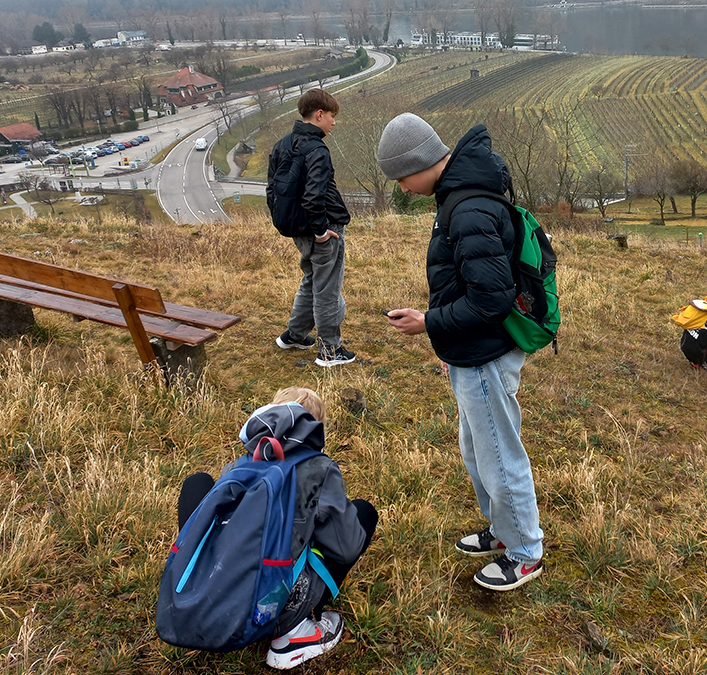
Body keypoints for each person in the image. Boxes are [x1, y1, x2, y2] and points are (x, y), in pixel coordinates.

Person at [376, 113, 544, 591]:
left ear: (421, 163)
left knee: (497, 453)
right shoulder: (457, 195)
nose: (403, 189)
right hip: (470, 349)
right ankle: (503, 530)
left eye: (401, 177)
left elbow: (490, 299)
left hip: (485, 352)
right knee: (477, 448)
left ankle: (525, 551)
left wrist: (428, 322)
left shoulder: (467, 207)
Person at [176, 387, 378, 669]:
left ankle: (190, 582)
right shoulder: (319, 468)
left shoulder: (241, 464)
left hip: (215, 593)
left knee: (198, 482)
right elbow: (346, 549)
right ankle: (294, 630)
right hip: (268, 606)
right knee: (364, 513)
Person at [267, 88, 355, 367]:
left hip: (296, 228)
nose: (333, 121)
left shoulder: (282, 144)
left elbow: (271, 191)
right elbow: (314, 196)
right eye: (331, 116)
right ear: (319, 114)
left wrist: (301, 227)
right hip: (324, 229)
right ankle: (330, 350)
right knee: (327, 288)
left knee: (311, 279)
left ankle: (294, 335)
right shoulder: (317, 150)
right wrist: (321, 231)